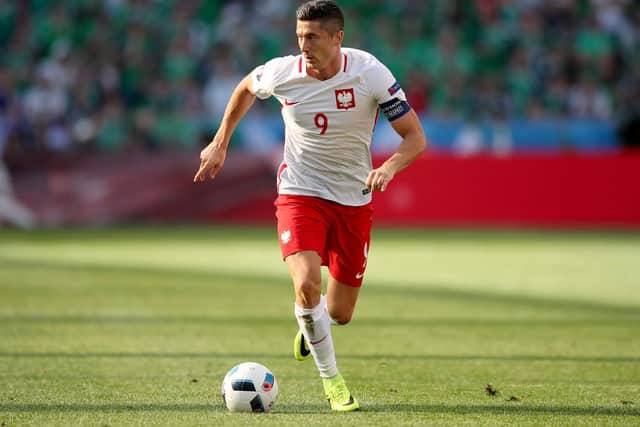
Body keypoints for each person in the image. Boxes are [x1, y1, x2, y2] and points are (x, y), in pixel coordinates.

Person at [194, 0, 426, 411]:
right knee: (305, 284)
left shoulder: (370, 73)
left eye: (313, 36)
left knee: (339, 313)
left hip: (353, 201)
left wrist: (389, 166)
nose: (304, 44)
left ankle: (311, 323)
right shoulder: (284, 71)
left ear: (338, 38)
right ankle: (333, 384)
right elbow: (247, 85)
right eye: (300, 35)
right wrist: (220, 141)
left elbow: (414, 137)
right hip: (300, 193)